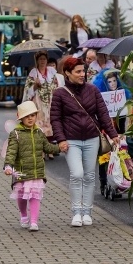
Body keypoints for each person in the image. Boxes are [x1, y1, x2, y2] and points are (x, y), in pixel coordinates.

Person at [50, 57, 120, 227]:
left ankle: (87, 212)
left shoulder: (93, 90)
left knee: (89, 176)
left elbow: (103, 114)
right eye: (78, 72)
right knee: (77, 174)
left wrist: (113, 134)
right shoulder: (60, 93)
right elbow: (55, 119)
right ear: (67, 73)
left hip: (91, 138)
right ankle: (76, 212)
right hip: (70, 140)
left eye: (84, 71)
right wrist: (61, 139)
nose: (82, 75)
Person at [3, 102, 61, 231]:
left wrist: (59, 148)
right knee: (22, 196)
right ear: (21, 118)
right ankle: (24, 215)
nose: (30, 118)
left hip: (36, 172)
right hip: (22, 172)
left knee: (35, 196)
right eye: (27, 116)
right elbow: (11, 152)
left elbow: (47, 147)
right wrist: (8, 166)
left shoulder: (39, 132)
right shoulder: (16, 134)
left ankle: (34, 221)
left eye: (33, 115)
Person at [22, 51, 58, 149]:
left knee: (50, 123)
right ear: (37, 61)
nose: (42, 61)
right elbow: (27, 90)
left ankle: (49, 148)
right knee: (39, 124)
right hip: (38, 102)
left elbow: (57, 84)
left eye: (44, 59)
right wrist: (35, 85)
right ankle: (41, 149)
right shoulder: (33, 73)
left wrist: (55, 85)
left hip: (50, 101)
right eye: (40, 59)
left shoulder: (51, 71)